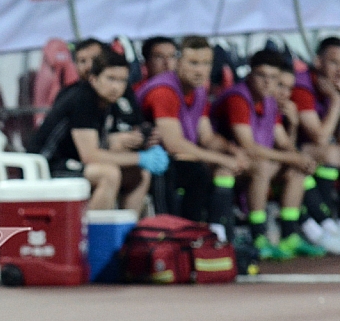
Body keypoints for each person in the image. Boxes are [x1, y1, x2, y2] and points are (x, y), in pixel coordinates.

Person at [210, 49, 324, 260]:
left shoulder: (269, 101)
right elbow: (248, 146)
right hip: (225, 164)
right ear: (250, 74)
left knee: (297, 169)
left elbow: (282, 143)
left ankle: (290, 235)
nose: (267, 82)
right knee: (265, 166)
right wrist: (294, 157)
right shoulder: (238, 97)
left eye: (273, 77)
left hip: (252, 164)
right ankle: (259, 236)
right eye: (261, 75)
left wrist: (295, 131)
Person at [28, 50, 167, 214]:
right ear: (93, 79)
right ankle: (94, 237)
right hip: (45, 164)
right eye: (111, 79)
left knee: (140, 175)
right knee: (109, 174)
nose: (116, 86)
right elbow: (90, 155)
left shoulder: (110, 102)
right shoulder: (83, 99)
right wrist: (140, 158)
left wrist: (143, 145)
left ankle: (125, 232)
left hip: (73, 160)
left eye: (122, 80)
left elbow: (106, 145)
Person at [137, 35, 248, 241]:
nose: (200, 70)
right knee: (199, 172)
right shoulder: (164, 91)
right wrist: (221, 158)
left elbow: (206, 137)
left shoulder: (198, 91)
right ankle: (185, 235)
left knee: (225, 169)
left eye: (206, 63)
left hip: (180, 161)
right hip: (156, 164)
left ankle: (220, 235)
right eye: (193, 63)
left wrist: (233, 152)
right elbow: (173, 144)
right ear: (178, 63)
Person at [291, 37, 340, 250]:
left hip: (309, 155)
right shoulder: (303, 87)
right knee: (331, 154)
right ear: (318, 62)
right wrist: (337, 101)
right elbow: (318, 137)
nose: (339, 69)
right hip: (291, 151)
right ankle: (325, 222)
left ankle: (328, 222)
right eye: (334, 62)